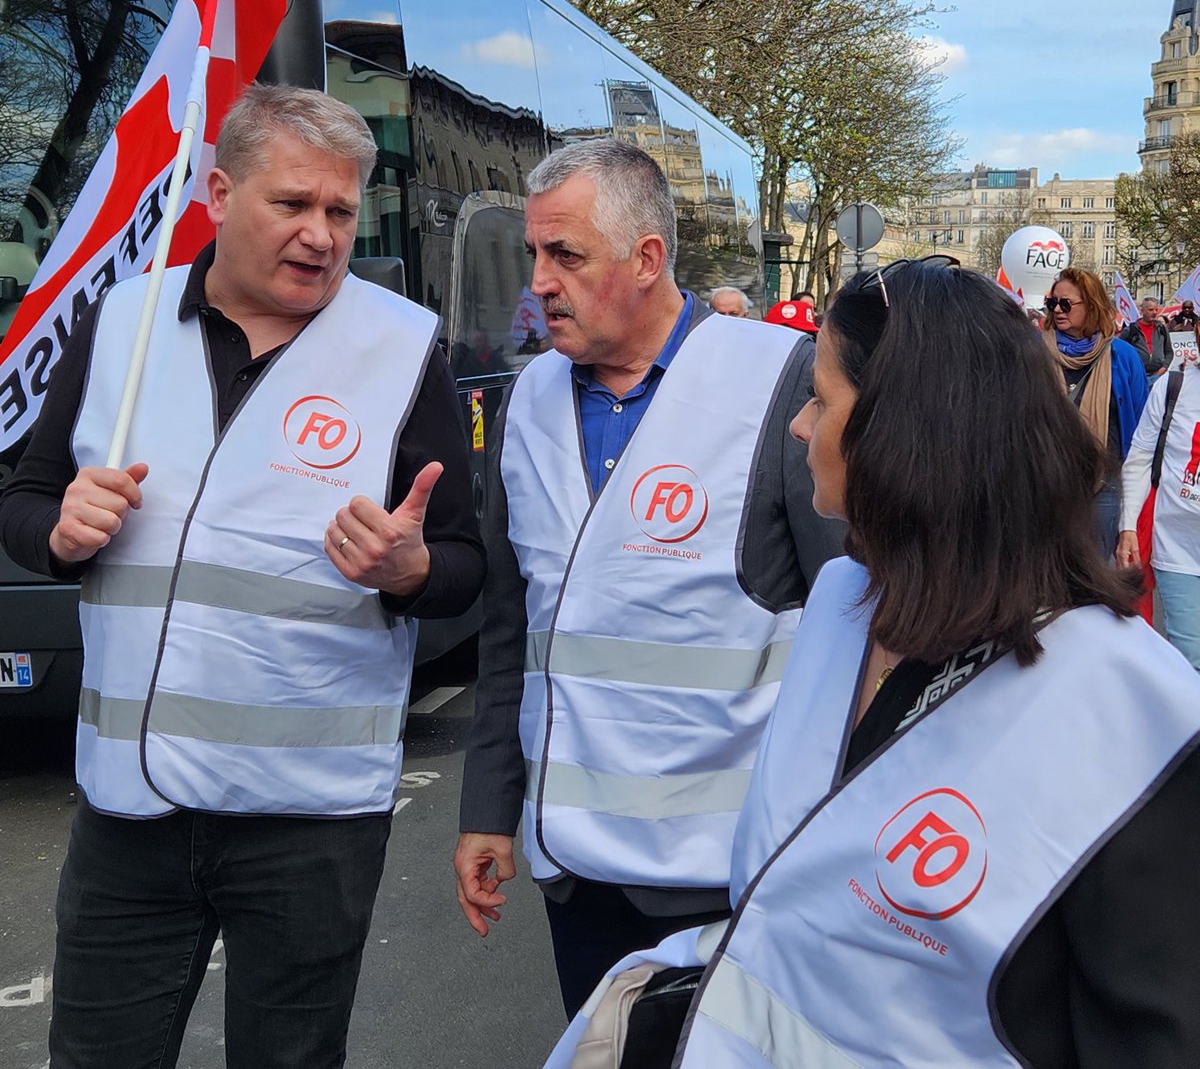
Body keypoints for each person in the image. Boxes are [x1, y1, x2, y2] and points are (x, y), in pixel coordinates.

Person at [545, 257, 1200, 1069]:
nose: (798, 425)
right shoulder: (842, 599)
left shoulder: (1133, 707)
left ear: (903, 430)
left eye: (821, 398)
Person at [0, 85, 486, 1069]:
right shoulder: (120, 329)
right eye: (292, 205)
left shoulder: (400, 350)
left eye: (341, 212)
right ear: (218, 193)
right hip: (129, 812)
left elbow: (469, 566)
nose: (321, 234)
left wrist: (412, 567)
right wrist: (59, 530)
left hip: (309, 818)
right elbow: (23, 502)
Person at [453, 139, 844, 1017]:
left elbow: (849, 620)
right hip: (577, 877)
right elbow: (513, 626)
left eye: (566, 256)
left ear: (648, 259)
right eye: (534, 256)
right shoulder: (527, 402)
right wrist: (488, 807)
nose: (540, 283)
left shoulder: (778, 381)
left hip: (730, 880)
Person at [1043, 267, 1148, 555]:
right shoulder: (1035, 353)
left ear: (1091, 305)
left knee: (1097, 571)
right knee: (1046, 572)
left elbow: (1139, 427)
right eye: (1053, 303)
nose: (1058, 310)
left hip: (1102, 484)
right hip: (1046, 483)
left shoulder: (1122, 357)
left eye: (1066, 303)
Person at [1118, 359, 1200, 669]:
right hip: (1178, 549)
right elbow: (1139, 458)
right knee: (1191, 661)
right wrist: (1127, 527)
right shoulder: (1174, 386)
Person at [1120, 294, 1175, 376]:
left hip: (1158, 375)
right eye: (1151, 310)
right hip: (1137, 376)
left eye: (1156, 310)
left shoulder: (1162, 329)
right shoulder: (1130, 330)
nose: (1154, 312)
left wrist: (1164, 367)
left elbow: (1169, 352)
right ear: (1143, 310)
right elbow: (1120, 352)